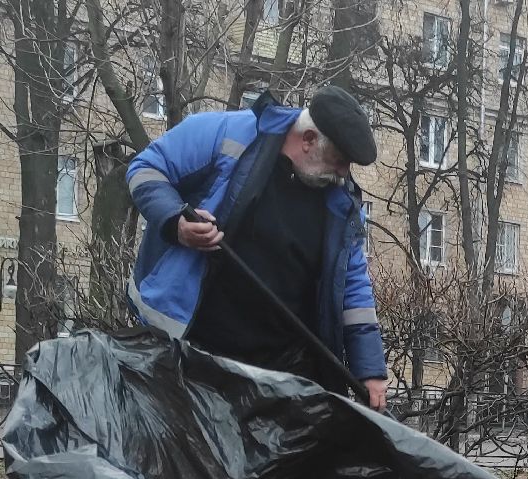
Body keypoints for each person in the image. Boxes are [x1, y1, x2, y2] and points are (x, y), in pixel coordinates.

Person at [124, 85, 388, 409]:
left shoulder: (341, 202)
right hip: (192, 354)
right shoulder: (224, 134)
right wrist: (175, 223)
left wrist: (370, 369)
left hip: (282, 372)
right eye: (339, 160)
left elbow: (352, 286)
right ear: (308, 140)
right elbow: (146, 169)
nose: (344, 173)